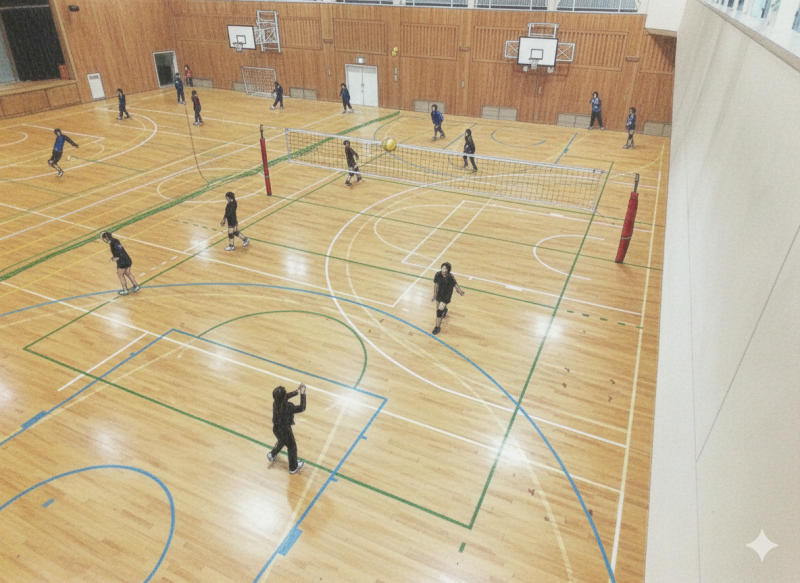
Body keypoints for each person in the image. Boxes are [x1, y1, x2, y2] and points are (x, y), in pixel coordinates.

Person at [267, 383, 307, 474]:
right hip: (285, 431)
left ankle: (272, 454)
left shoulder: (276, 403)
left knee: (282, 441)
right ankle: (293, 467)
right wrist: (303, 393)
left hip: (276, 429)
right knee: (292, 447)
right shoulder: (288, 406)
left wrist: (297, 391)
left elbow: (284, 397)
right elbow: (302, 408)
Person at [431, 261, 464, 335]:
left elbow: (456, 285)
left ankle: (437, 327)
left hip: (446, 295)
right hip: (439, 294)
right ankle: (445, 310)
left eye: (445, 269)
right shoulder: (438, 275)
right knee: (438, 309)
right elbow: (436, 285)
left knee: (439, 311)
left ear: (448, 270)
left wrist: (460, 291)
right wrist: (435, 295)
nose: (444, 270)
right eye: (443, 268)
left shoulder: (450, 277)